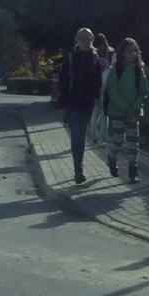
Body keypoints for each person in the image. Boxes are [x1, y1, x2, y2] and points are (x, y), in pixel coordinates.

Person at [55, 27, 104, 185]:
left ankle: (78, 168)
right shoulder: (69, 57)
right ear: (76, 39)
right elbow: (62, 82)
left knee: (81, 134)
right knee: (77, 135)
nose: (86, 42)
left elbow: (97, 81)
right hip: (72, 102)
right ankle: (78, 170)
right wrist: (61, 106)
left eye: (89, 39)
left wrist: (97, 97)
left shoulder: (95, 58)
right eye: (83, 38)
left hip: (87, 103)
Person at [103, 37, 149, 183]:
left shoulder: (138, 71)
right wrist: (125, 107)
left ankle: (133, 170)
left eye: (135, 51)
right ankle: (111, 157)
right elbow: (112, 90)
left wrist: (134, 107)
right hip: (117, 111)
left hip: (134, 111)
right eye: (129, 51)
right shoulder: (116, 70)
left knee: (133, 141)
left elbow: (144, 91)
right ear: (122, 53)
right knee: (118, 140)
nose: (132, 54)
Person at [88, 33, 114, 146]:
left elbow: (116, 68)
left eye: (101, 45)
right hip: (96, 87)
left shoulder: (112, 53)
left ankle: (102, 138)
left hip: (107, 86)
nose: (100, 48)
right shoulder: (94, 54)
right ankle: (92, 131)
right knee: (94, 114)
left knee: (104, 115)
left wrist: (108, 65)